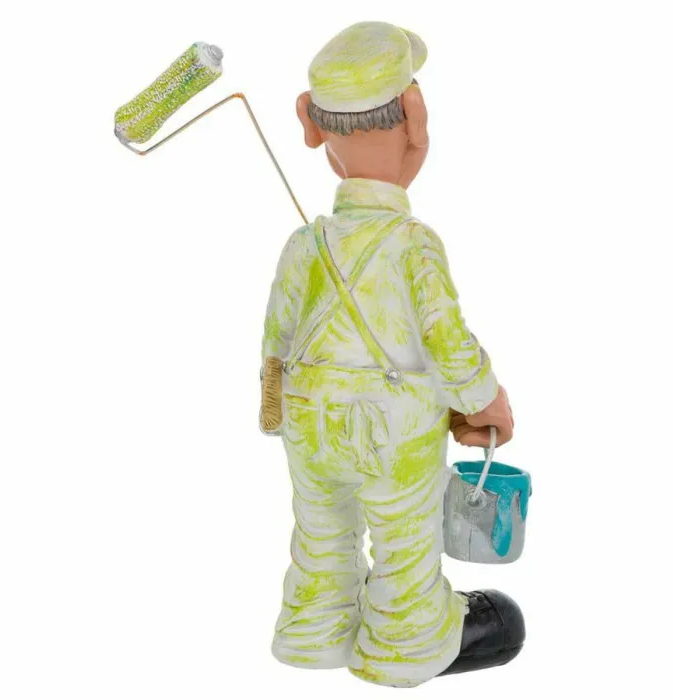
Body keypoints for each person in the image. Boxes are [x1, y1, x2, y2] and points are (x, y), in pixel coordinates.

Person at [261, 21, 524, 688]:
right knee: (406, 537)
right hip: (391, 431)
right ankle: (403, 644)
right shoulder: (414, 242)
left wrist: (274, 413)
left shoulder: (304, 243)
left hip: (308, 425)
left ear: (309, 123)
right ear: (416, 114)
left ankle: (313, 635)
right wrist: (484, 401)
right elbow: (447, 341)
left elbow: (276, 343)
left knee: (320, 534)